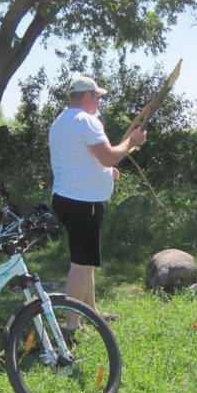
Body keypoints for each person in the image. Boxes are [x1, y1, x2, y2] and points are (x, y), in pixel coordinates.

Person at [48, 74, 146, 327]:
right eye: (98, 97)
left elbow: (81, 159)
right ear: (87, 95)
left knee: (86, 261)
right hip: (82, 203)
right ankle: (72, 326)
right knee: (80, 265)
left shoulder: (61, 121)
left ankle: (92, 315)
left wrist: (104, 172)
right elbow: (109, 156)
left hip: (67, 198)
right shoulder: (85, 120)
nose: (99, 102)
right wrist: (131, 143)